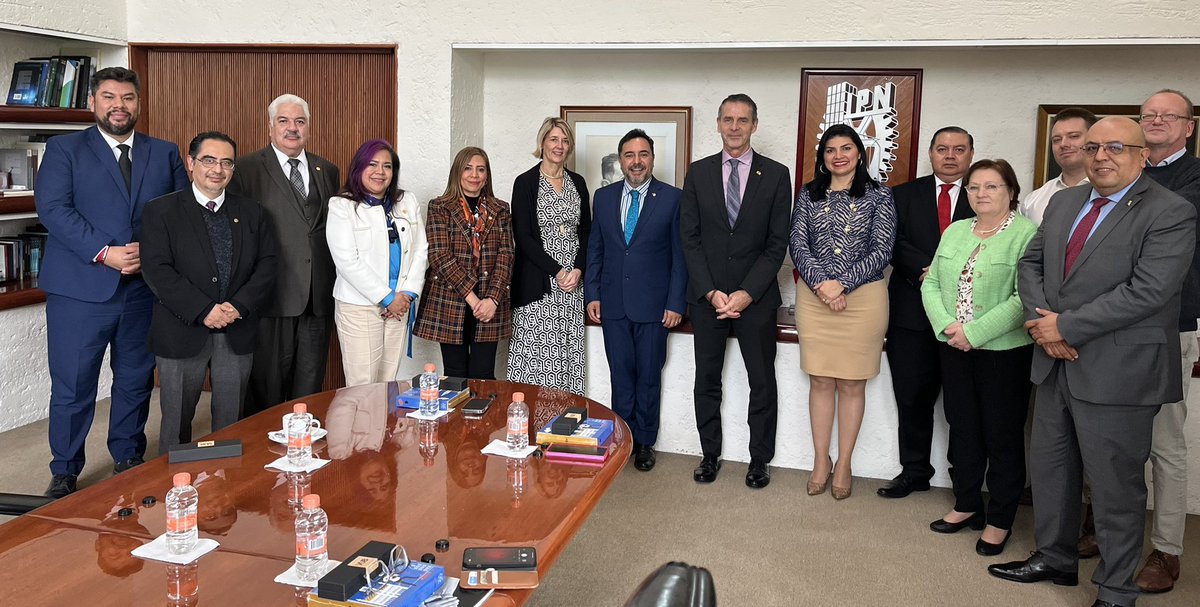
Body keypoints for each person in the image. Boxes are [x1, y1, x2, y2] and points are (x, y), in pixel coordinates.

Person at [990, 117, 1196, 607]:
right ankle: (1055, 558)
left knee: (1114, 485)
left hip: (1118, 369)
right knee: (1052, 470)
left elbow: (1148, 291)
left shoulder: (1171, 211)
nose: (1101, 156)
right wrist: (1044, 324)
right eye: (1094, 147)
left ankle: (1116, 589)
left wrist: (1066, 326)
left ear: (1143, 155)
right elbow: (1030, 265)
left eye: (1116, 147)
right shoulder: (1065, 202)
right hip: (1054, 362)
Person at [35, 67, 189, 498]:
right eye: (109, 97)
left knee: (135, 380)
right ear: (93, 102)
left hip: (142, 290)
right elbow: (53, 209)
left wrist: (148, 251)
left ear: (138, 103)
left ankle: (127, 456)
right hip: (79, 291)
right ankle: (65, 469)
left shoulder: (164, 152)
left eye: (127, 98)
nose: (119, 106)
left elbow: (180, 212)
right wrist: (105, 252)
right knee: (73, 385)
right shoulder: (64, 149)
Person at [920, 159, 1036, 556]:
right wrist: (948, 327)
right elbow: (932, 283)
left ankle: (1000, 519)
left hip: (1003, 354)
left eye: (992, 186)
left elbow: (1023, 298)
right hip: (953, 347)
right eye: (974, 187)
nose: (981, 193)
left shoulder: (1026, 234)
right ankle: (967, 503)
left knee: (1002, 434)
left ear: (1010, 191)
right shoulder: (955, 231)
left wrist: (975, 333)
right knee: (962, 428)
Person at [140, 131, 278, 453]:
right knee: (176, 423)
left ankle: (224, 478)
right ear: (191, 163)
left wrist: (238, 306)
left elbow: (267, 265)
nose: (218, 169)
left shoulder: (253, 212)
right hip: (181, 330)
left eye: (226, 162)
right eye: (209, 160)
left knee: (231, 422)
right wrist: (204, 310)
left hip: (236, 327)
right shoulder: (161, 211)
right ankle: (171, 479)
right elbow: (157, 270)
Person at [679, 93, 791, 489]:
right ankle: (709, 454)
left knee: (762, 382)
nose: (735, 126)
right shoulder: (698, 172)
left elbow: (777, 244)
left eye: (743, 120)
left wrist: (746, 293)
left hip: (755, 300)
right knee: (707, 380)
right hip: (708, 299)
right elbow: (690, 238)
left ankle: (759, 459)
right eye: (728, 119)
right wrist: (710, 291)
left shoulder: (776, 174)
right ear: (718, 124)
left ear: (754, 125)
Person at [790, 124, 895, 500]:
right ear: (823, 157)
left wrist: (842, 284)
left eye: (846, 148)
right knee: (820, 380)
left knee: (852, 383)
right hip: (814, 297)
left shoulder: (880, 195)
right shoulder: (808, 194)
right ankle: (821, 459)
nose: (838, 155)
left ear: (859, 153)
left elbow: (883, 249)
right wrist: (822, 284)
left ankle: (845, 462)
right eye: (830, 149)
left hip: (863, 300)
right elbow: (797, 243)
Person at [227, 93, 341, 416]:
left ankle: (301, 442)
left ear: (309, 127)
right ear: (270, 127)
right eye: (284, 121)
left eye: (299, 121)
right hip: (270, 297)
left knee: (309, 388)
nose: (292, 128)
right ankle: (263, 443)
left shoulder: (327, 170)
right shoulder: (245, 169)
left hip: (317, 298)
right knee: (267, 387)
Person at [879, 126, 976, 499]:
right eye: (942, 149)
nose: (950, 156)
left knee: (961, 405)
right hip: (911, 314)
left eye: (959, 149)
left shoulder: (983, 194)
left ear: (970, 155)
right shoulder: (902, 195)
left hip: (965, 320)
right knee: (912, 398)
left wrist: (944, 275)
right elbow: (892, 242)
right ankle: (914, 471)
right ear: (931, 153)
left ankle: (964, 480)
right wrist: (931, 272)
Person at [585, 128, 687, 472]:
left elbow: (680, 257)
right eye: (629, 155)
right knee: (621, 374)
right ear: (621, 160)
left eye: (643, 154)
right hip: (613, 304)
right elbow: (596, 249)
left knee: (648, 376)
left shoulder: (672, 198)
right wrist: (593, 293)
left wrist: (676, 303)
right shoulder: (604, 198)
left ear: (652, 159)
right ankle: (623, 438)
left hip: (655, 307)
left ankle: (644, 442)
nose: (636, 161)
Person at [1131, 88, 1200, 593]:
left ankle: (1167, 549)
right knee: (1110, 440)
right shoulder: (1124, 174)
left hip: (1168, 326)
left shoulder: (1193, 180)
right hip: (1108, 327)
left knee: (1165, 444)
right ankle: (1103, 527)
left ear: (1189, 127)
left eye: (1167, 115)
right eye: (1148, 114)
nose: (1156, 120)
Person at [326, 139, 428, 386]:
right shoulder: (342, 205)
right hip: (360, 306)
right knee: (363, 383)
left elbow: (420, 250)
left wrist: (407, 294)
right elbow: (347, 261)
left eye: (387, 166)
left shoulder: (407, 201)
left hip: (400, 304)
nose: (380, 172)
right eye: (372, 164)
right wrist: (387, 297)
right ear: (359, 167)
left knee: (387, 381)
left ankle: (382, 416)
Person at [414, 147, 513, 379]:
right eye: (468, 168)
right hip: (450, 300)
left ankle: (482, 408)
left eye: (481, 169)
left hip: (489, 303)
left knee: (483, 374)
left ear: (487, 175)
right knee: (455, 375)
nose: (474, 175)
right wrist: (473, 299)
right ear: (457, 172)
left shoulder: (500, 209)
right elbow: (439, 255)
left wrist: (492, 299)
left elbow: (506, 256)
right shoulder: (440, 207)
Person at [508, 117, 591, 394]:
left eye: (565, 141)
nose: (559, 146)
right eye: (554, 139)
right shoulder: (525, 182)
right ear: (542, 142)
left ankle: (566, 417)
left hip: (572, 285)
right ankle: (531, 418)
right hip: (538, 282)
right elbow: (523, 237)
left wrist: (577, 270)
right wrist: (557, 271)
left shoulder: (578, 183)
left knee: (567, 355)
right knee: (536, 356)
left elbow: (587, 232)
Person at [1019, 108, 1098, 225]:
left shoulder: (1112, 193)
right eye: (1056, 140)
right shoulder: (1033, 201)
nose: (1063, 144)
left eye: (1073, 136)